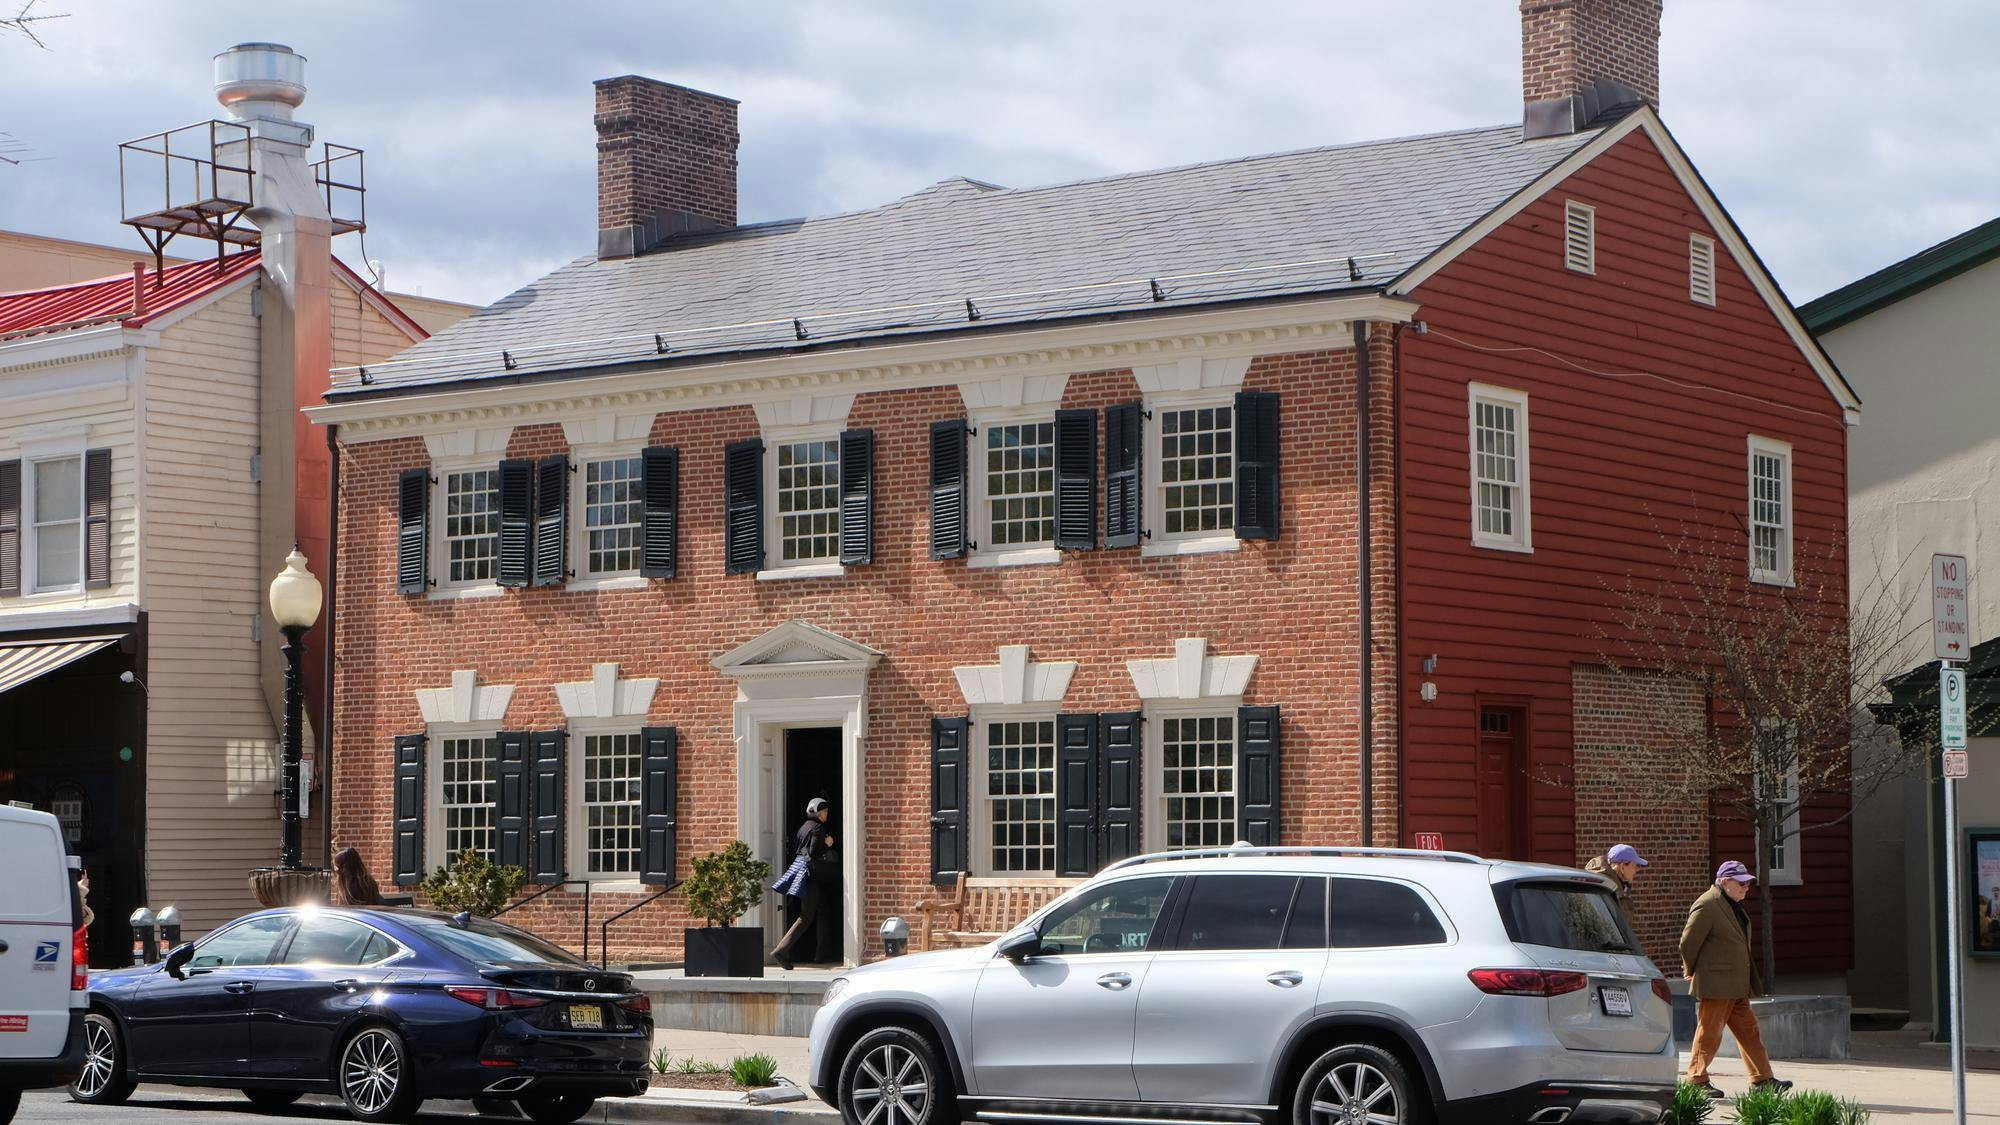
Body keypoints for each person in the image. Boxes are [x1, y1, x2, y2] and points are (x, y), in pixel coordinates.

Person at [1680, 860, 1791, 1099]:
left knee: (1750, 1031)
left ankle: (1762, 1079)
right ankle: (1696, 1079)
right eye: (1740, 883)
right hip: (1716, 984)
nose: (1745, 888)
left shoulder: (1732, 905)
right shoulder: (1708, 904)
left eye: (1747, 883)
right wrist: (1690, 968)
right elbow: (1688, 942)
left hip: (1737, 984)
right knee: (1709, 1033)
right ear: (1724, 882)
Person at [771, 798, 836, 970]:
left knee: (823, 910)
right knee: (805, 917)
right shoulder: (817, 828)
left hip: (804, 875)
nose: (826, 814)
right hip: (811, 878)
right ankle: (781, 949)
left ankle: (822, 953)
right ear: (818, 812)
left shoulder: (803, 827)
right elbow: (814, 852)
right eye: (825, 812)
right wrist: (827, 844)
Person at [1584, 843, 1646, 932]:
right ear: (1622, 867)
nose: (1637, 870)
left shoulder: (1617, 885)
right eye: (1635, 866)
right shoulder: (1606, 888)